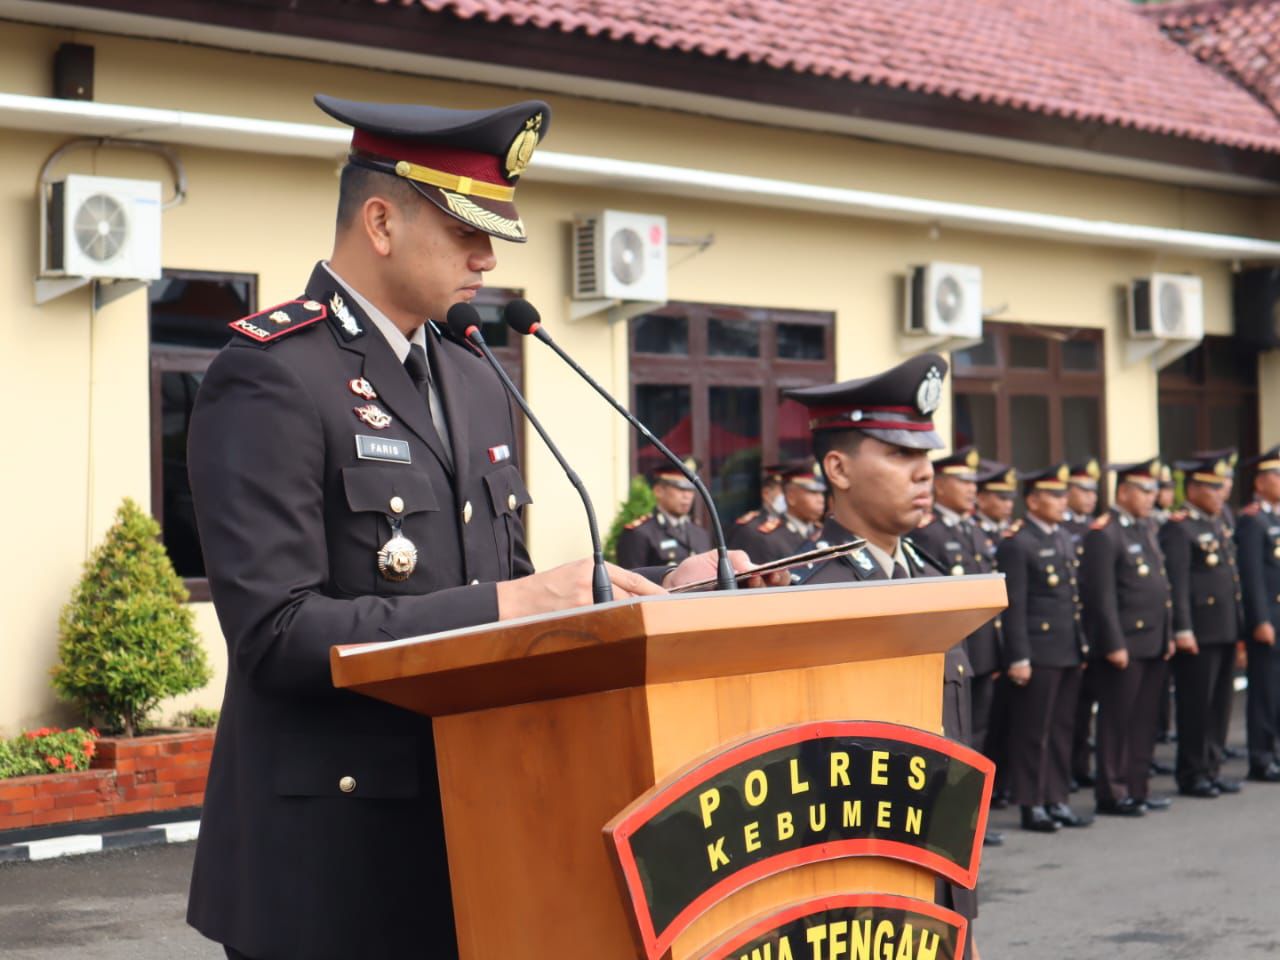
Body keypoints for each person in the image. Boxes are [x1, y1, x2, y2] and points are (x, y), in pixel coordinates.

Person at [182, 94, 764, 960]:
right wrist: (513, 602)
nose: (489, 259)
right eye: (466, 232)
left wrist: (634, 599)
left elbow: (508, 587)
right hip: (332, 862)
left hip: (480, 827)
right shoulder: (272, 375)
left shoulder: (473, 372)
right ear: (380, 221)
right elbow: (277, 633)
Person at [786, 354, 984, 960]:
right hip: (861, 906)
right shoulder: (818, 594)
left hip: (940, 883)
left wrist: (961, 917)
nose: (925, 473)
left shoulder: (927, 579)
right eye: (900, 455)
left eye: (925, 456)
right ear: (838, 468)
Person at [997, 464, 1093, 833]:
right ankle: (1031, 803)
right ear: (1033, 501)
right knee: (1033, 731)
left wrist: (1081, 644)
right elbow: (1015, 605)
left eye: (1063, 494)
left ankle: (1056, 799)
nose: (1061, 501)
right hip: (1037, 652)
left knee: (1062, 728)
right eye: (1053, 495)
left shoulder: (1064, 538)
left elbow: (1071, 599)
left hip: (1067, 648)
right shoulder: (1018, 543)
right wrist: (1018, 656)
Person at [1079, 458, 1174, 817]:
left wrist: (1167, 634)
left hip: (1151, 641)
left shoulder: (1144, 528)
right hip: (1125, 645)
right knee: (1117, 721)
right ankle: (1113, 791)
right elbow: (1101, 597)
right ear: (1123, 492)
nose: (1152, 497)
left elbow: (1161, 587)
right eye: (1144, 491)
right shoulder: (1106, 532)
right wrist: (1114, 643)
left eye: (1153, 491)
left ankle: (1137, 787)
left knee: (1144, 720)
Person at [911, 447, 1004, 811]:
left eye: (972, 483)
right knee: (953, 736)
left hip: (980, 648)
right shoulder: (930, 532)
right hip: (953, 647)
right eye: (962, 482)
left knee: (976, 732)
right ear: (942, 485)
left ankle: (974, 810)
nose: (970, 489)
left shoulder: (972, 530)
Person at [1160, 454, 1244, 799]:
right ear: (1193, 489)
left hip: (1223, 627)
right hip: (1198, 631)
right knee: (1197, 705)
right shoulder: (1179, 527)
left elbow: (1231, 580)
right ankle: (1193, 772)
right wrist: (1182, 629)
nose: (1219, 494)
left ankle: (1211, 766)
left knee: (1219, 704)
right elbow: (1177, 583)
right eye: (1211, 488)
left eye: (1220, 488)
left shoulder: (1216, 523)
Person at [1235, 446, 1280, 782]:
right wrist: (1260, 620)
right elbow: (1251, 577)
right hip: (1269, 618)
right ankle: (1262, 757)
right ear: (1260, 481)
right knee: (1265, 691)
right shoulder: (1252, 521)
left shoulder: (1275, 518)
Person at [973, 461, 1016, 807]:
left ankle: (993, 793)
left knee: (994, 728)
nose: (1006, 505)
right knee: (972, 734)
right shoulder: (943, 532)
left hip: (992, 648)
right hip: (970, 652)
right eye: (998, 498)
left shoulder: (976, 534)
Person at [1064, 458, 1101, 790]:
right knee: (1069, 709)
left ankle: (1081, 763)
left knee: (1085, 702)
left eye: (1094, 491)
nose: (1090, 497)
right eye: (1082, 490)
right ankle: (1070, 768)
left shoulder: (1093, 529)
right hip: (1064, 630)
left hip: (1087, 627)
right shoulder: (1062, 530)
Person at [615, 459, 714, 568]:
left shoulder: (700, 533)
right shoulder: (639, 533)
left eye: (690, 489)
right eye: (680, 488)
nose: (687, 496)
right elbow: (632, 580)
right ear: (658, 491)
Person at [727, 461, 825, 565]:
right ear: (791, 497)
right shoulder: (764, 537)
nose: (821, 499)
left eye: (822, 493)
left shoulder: (822, 530)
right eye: (813, 493)